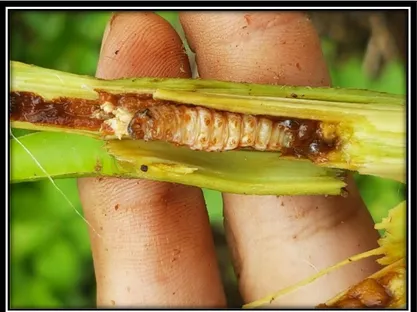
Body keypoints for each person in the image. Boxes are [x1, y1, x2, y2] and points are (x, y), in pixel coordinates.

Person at [77, 11, 381, 308]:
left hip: (259, 133)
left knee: (256, 133)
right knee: (252, 133)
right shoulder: (176, 126)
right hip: (245, 132)